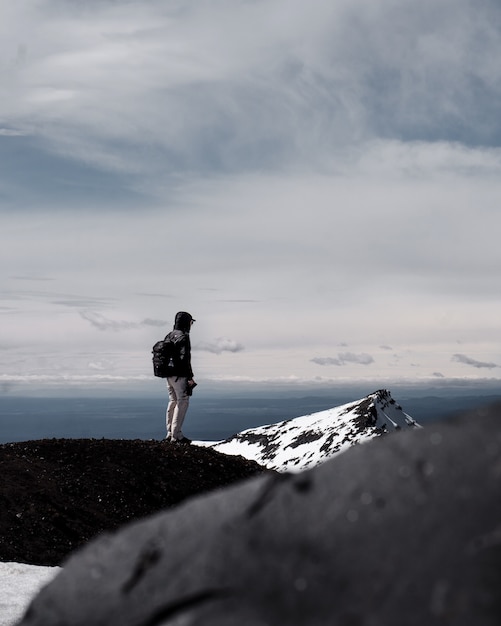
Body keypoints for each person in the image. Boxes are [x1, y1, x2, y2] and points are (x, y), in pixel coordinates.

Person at [165, 311, 196, 444]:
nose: (191, 324)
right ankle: (176, 436)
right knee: (182, 401)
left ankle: (170, 432)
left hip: (168, 374)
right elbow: (185, 358)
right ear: (186, 322)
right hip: (180, 375)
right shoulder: (183, 336)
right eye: (191, 322)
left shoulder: (169, 335)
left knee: (173, 401)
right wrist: (189, 376)